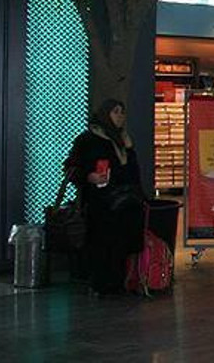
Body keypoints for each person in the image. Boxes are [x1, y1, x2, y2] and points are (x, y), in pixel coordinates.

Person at [65, 99, 145, 295]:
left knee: (122, 244)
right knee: (101, 244)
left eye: (122, 112)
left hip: (125, 203)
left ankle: (119, 283)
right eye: (115, 112)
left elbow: (133, 170)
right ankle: (101, 284)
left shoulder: (124, 140)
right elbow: (72, 167)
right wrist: (89, 176)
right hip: (100, 203)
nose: (120, 116)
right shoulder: (88, 140)